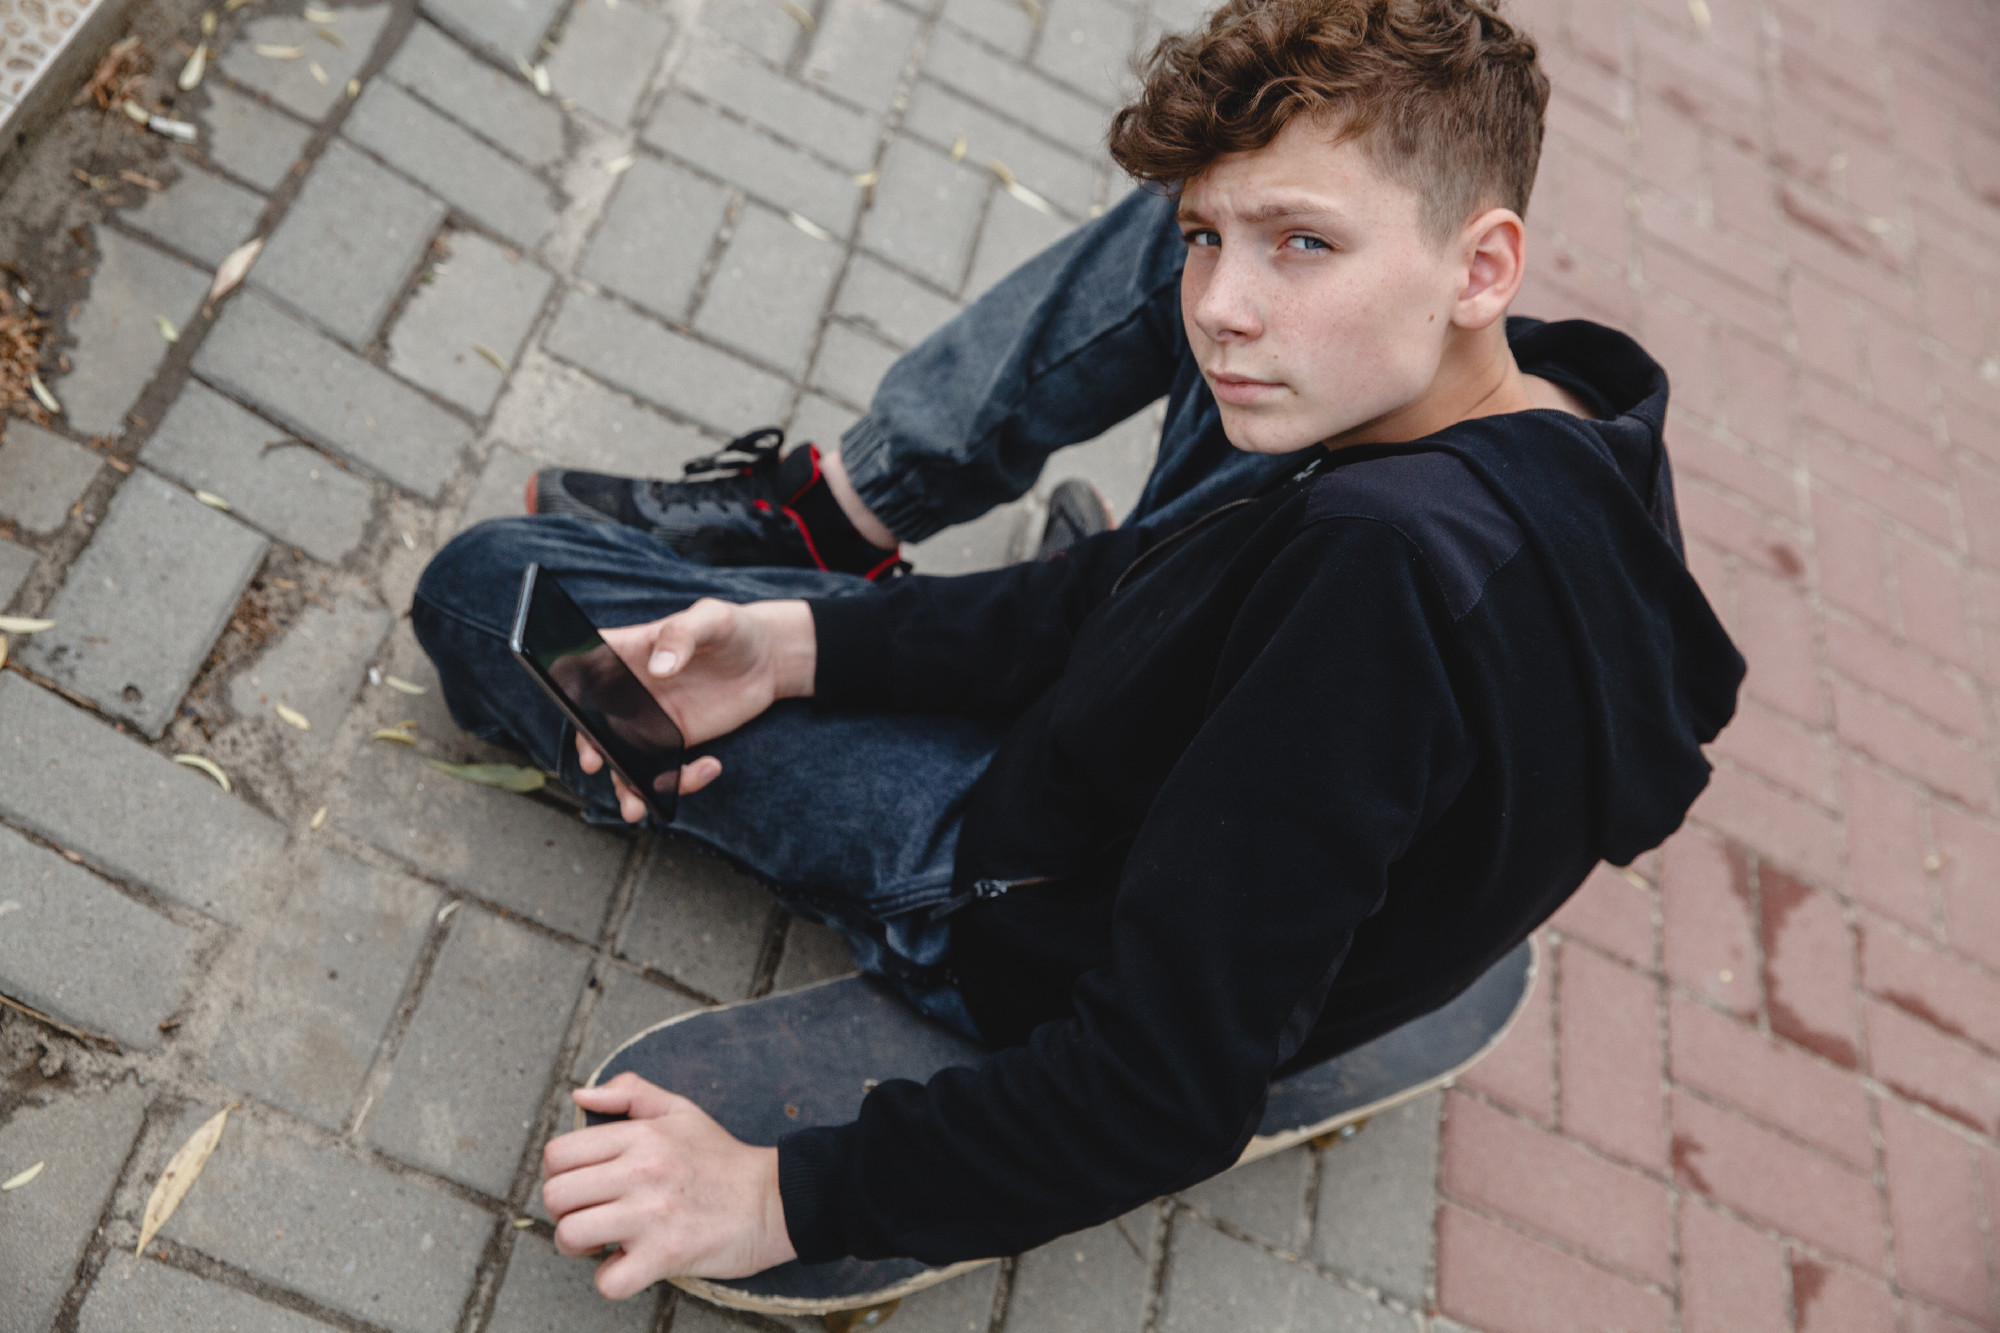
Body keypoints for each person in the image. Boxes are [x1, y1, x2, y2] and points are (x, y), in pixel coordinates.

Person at [413, 0, 1744, 1299]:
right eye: (1211, 242)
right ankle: (827, 535)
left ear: (1483, 263)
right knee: (1187, 222)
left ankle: (636, 752)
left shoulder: (1367, 581)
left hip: (1016, 889)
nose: (1221, 304)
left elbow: (1164, 1090)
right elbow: (1128, 587)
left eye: (1301, 247)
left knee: (491, 594)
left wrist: (777, 1197)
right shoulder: (1575, 400)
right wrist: (790, 644)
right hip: (1195, 719)